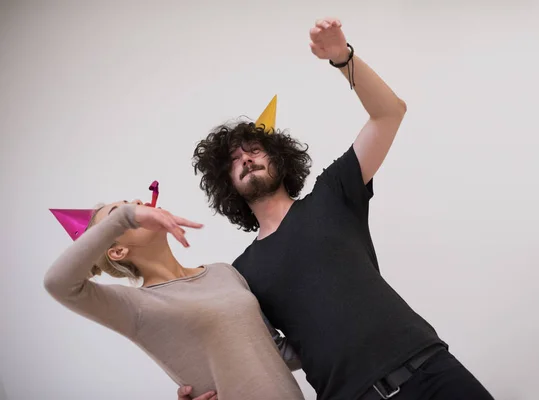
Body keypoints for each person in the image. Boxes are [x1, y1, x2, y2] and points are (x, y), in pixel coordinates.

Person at [186, 17, 495, 400]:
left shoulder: (333, 193)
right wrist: (213, 387)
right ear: (226, 182)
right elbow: (261, 354)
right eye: (234, 160)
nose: (246, 159)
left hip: (429, 370)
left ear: (280, 158)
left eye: (254, 150)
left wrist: (342, 58)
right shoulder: (240, 273)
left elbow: (389, 113)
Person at [44, 199, 305, 400]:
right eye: (120, 213)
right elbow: (59, 284)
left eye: (131, 205)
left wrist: (341, 334)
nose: (137, 203)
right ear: (117, 250)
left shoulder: (223, 272)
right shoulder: (136, 306)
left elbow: (278, 352)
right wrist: (125, 217)